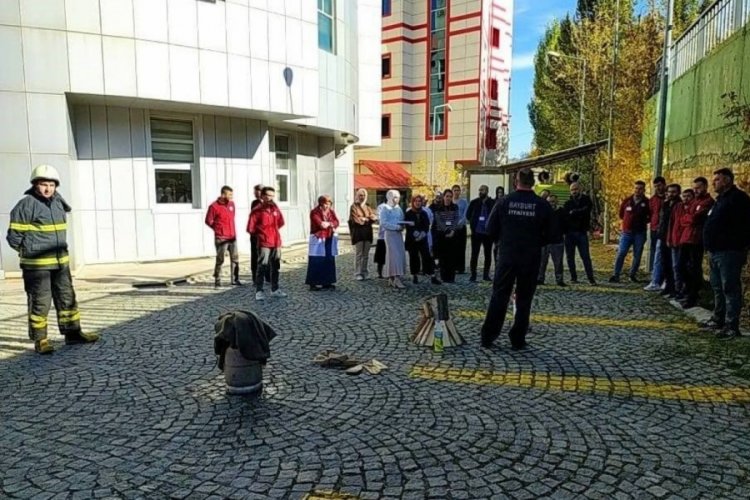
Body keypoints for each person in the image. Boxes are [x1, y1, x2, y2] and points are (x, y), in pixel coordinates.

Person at [6, 165, 100, 354]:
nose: (48, 188)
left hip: (60, 263)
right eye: (43, 184)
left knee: (67, 299)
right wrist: (29, 251)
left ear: (56, 186)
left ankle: (73, 334)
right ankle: (41, 340)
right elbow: (14, 238)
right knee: (40, 302)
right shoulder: (26, 205)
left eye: (51, 184)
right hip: (37, 266)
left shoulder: (58, 202)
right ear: (35, 185)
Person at [480, 168, 552, 350]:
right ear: (533, 183)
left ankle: (488, 336)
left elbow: (489, 229)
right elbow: (552, 234)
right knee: (524, 298)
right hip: (530, 257)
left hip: (507, 256)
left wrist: (503, 241)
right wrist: (535, 242)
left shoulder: (504, 201)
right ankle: (518, 338)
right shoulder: (542, 205)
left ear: (516, 182)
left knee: (499, 296)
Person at [701, 168, 750, 338]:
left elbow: (744, 226)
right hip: (715, 251)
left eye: (717, 180)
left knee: (730, 287)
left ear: (727, 180)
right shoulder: (720, 200)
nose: (713, 182)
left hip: (729, 251)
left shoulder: (738, 199)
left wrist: (739, 244)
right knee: (717, 287)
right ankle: (718, 319)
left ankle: (732, 324)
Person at [676, 177, 714, 309]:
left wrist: (688, 218)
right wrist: (688, 218)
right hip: (686, 238)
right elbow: (683, 218)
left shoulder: (708, 202)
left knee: (694, 268)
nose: (695, 190)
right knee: (680, 267)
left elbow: (694, 219)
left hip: (697, 239)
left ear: (705, 186)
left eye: (698, 188)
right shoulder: (694, 201)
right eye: (694, 188)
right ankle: (690, 289)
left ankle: (693, 295)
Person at [247, 186, 288, 301]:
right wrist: (263, 234)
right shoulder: (257, 210)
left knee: (276, 265)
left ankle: (275, 289)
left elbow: (281, 222)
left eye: (272, 196)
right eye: (268, 195)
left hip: (275, 241)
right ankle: (259, 291)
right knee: (262, 266)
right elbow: (251, 228)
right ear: (263, 196)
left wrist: (273, 232)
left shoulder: (275, 208)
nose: (270, 198)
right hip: (264, 241)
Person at [609, 180, 651, 283]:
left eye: (640, 189)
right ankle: (616, 275)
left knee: (637, 255)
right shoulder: (627, 200)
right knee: (621, 252)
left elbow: (650, 216)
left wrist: (641, 221)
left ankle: (632, 275)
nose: (638, 190)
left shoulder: (647, 202)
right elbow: (621, 214)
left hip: (640, 233)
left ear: (644, 190)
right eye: (636, 188)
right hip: (627, 232)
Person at [205, 185, 241, 288]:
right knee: (220, 259)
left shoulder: (232, 204)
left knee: (235, 258)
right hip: (221, 238)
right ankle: (218, 280)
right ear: (223, 194)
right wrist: (218, 229)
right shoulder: (214, 206)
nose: (231, 197)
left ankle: (235, 279)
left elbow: (232, 217)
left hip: (232, 236)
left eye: (232, 194)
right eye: (229, 194)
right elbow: (208, 220)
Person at [562, 182, 596, 285]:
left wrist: (574, 212)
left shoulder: (586, 200)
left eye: (576, 189)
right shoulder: (567, 203)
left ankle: (591, 278)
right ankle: (573, 277)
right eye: (572, 190)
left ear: (580, 189)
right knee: (570, 257)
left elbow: (586, 210)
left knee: (585, 256)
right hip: (569, 233)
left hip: (581, 232)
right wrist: (576, 213)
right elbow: (566, 217)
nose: (574, 191)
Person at [306, 195, 340, 291]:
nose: (327, 206)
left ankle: (327, 281)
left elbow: (336, 222)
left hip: (329, 237)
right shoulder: (315, 212)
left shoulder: (331, 212)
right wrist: (329, 224)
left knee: (328, 259)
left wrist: (329, 223)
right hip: (318, 238)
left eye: (328, 204)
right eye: (325, 203)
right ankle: (314, 283)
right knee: (316, 259)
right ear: (321, 203)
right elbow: (320, 224)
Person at [405, 195, 440, 285]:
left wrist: (422, 235)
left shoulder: (424, 213)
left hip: (423, 239)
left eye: (419, 201)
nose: (418, 203)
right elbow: (408, 226)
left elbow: (427, 225)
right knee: (414, 258)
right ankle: (414, 275)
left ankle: (432, 275)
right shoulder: (409, 213)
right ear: (413, 202)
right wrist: (415, 235)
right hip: (412, 240)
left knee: (427, 257)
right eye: (416, 201)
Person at [433, 188, 464, 283]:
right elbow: (439, 221)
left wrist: (453, 231)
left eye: (450, 196)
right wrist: (446, 231)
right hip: (441, 235)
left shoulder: (455, 207)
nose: (449, 198)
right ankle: (444, 276)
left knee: (452, 256)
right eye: (447, 196)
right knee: (443, 257)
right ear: (444, 197)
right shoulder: (438, 207)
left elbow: (456, 219)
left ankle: (451, 277)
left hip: (453, 234)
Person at [668, 188, 694, 299]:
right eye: (684, 196)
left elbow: (689, 221)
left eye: (688, 196)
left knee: (685, 267)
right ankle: (677, 289)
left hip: (686, 241)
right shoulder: (677, 207)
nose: (685, 198)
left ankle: (685, 289)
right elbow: (672, 223)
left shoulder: (693, 207)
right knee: (676, 266)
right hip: (675, 240)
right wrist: (669, 238)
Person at [656, 183, 682, 298]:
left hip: (673, 238)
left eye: (674, 192)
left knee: (674, 265)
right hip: (663, 237)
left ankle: (676, 289)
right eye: (670, 192)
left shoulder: (679, 205)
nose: (671, 194)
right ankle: (668, 286)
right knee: (665, 263)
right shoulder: (665, 204)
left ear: (678, 193)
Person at [466, 185, 495, 282]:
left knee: (488, 254)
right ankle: (473, 275)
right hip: (476, 232)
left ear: (486, 191)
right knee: (474, 254)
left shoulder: (492, 203)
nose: (480, 191)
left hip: (487, 233)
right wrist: (473, 224)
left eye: (482, 190)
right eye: (479, 190)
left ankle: (486, 275)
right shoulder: (474, 202)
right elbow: (468, 215)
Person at [380, 190, 408, 288]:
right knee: (393, 256)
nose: (397, 199)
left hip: (398, 235)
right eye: (395, 197)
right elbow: (384, 223)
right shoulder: (385, 209)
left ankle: (393, 277)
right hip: (390, 235)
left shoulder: (398, 208)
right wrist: (395, 227)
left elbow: (401, 219)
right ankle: (395, 277)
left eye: (398, 197)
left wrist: (403, 225)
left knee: (399, 255)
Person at [644, 176, 667, 291]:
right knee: (655, 254)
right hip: (654, 229)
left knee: (662, 255)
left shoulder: (668, 198)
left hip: (665, 231)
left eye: (659, 185)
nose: (658, 188)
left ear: (664, 185)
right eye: (656, 186)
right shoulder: (653, 200)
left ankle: (660, 280)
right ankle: (656, 277)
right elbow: (650, 213)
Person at [538, 194, 566, 287]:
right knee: (542, 262)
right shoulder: (543, 212)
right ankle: (540, 278)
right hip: (544, 241)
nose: (551, 204)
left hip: (557, 241)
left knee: (558, 263)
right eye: (549, 202)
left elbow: (565, 225)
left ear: (556, 202)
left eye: (553, 201)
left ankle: (559, 279)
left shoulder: (561, 212)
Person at [348, 188, 377, 281]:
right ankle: (358, 273)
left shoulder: (368, 207)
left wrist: (365, 218)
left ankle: (365, 272)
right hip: (358, 233)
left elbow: (373, 218)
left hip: (368, 233)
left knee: (366, 255)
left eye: (364, 195)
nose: (362, 197)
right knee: (359, 254)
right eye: (360, 195)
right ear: (357, 196)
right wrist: (365, 219)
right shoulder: (354, 207)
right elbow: (355, 220)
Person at [452, 184, 469, 274]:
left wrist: (461, 223)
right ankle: (453, 266)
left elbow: (466, 214)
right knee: (453, 247)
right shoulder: (450, 201)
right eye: (455, 190)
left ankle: (461, 268)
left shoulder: (464, 202)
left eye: (458, 190)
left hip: (461, 227)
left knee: (461, 247)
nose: (456, 192)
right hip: (452, 228)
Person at [250, 184, 264, 282]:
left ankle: (267, 276)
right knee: (255, 255)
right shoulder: (255, 203)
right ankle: (255, 276)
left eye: (256, 191)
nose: (255, 193)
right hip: (255, 234)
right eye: (254, 191)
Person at [374, 197, 389, 279]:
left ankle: (390, 272)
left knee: (390, 256)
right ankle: (380, 272)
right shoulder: (381, 207)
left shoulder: (395, 208)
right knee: (381, 256)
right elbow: (379, 219)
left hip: (392, 236)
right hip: (382, 236)